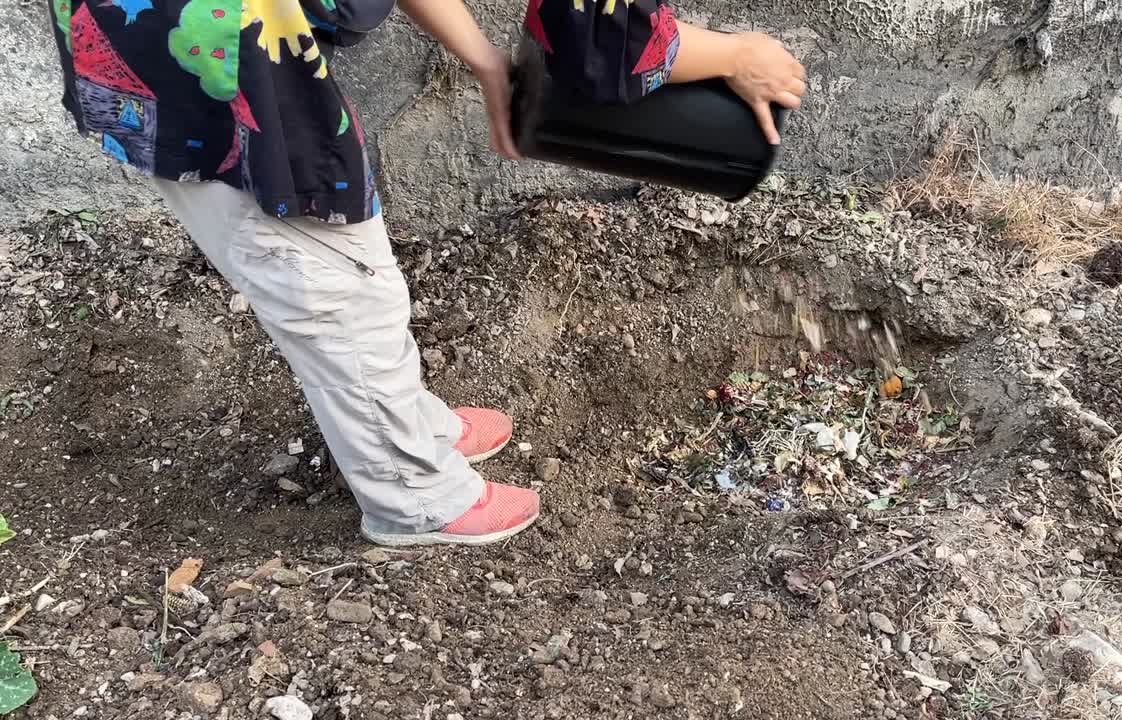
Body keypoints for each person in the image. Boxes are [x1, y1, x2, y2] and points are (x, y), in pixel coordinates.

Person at [45, 0, 806, 546]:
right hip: (203, 49)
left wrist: (479, 57)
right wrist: (738, 54)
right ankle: (411, 496)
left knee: (347, 263)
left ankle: (408, 430)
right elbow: (601, 38)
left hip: (200, 35)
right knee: (329, 284)